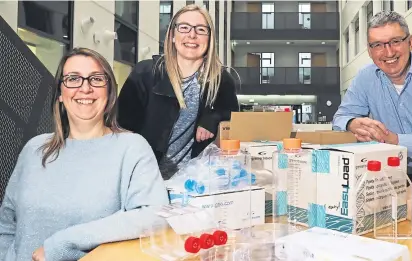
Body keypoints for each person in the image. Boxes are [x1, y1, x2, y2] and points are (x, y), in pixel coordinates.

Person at [0, 48, 168, 261]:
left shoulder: (131, 148)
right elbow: (6, 224)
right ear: (60, 93)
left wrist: (64, 243)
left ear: (109, 92)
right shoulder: (34, 149)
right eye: (73, 79)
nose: (85, 88)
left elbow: (154, 216)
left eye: (96, 79)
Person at [332, 10, 412, 181]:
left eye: (395, 41)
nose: (388, 52)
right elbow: (339, 119)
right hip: (388, 175)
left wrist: (395, 140)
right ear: (370, 51)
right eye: (377, 45)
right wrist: (351, 123)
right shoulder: (365, 77)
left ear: (410, 42)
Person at [118, 4, 239, 179]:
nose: (192, 35)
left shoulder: (221, 80)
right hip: (145, 179)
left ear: (209, 38)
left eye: (200, 29)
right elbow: (121, 128)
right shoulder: (146, 73)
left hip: (194, 182)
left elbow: (232, 121)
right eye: (184, 27)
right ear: (173, 35)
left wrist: (212, 117)